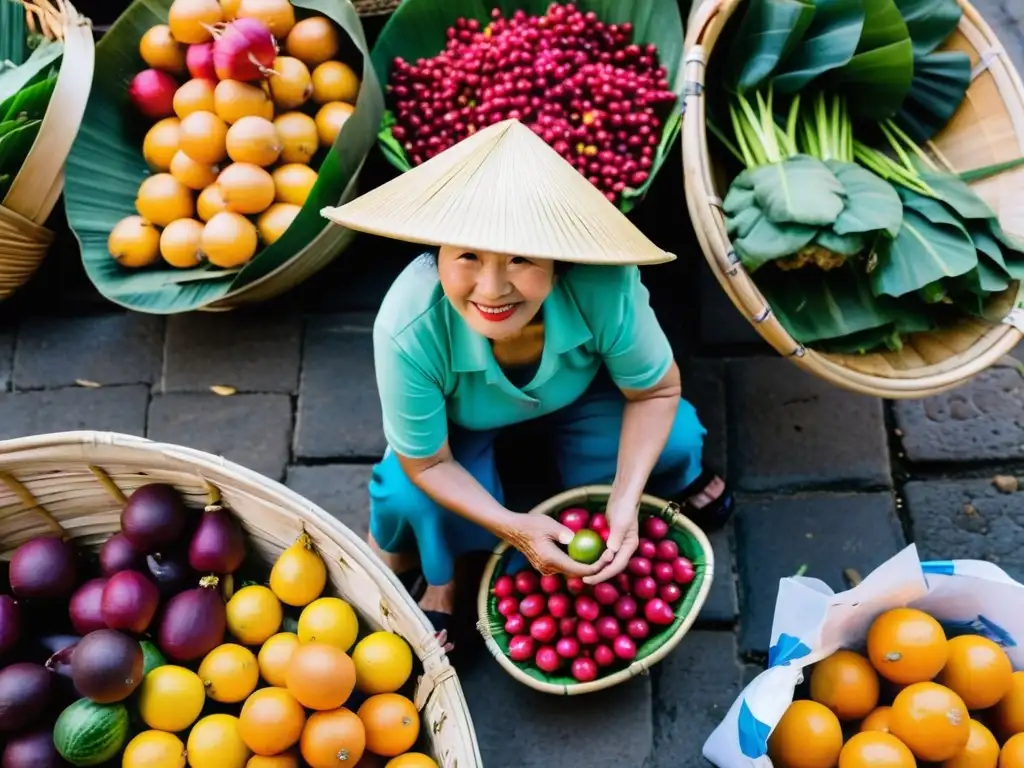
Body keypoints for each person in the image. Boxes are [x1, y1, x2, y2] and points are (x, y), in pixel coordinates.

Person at [320, 119, 732, 645]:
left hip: (581, 395)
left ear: (558, 264)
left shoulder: (604, 285)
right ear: (438, 251)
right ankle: (446, 574)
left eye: (520, 258)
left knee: (673, 441)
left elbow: (655, 391)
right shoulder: (408, 325)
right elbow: (427, 461)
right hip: (461, 420)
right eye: (466, 255)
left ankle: (656, 487)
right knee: (408, 496)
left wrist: (625, 500)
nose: (491, 288)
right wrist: (510, 527)